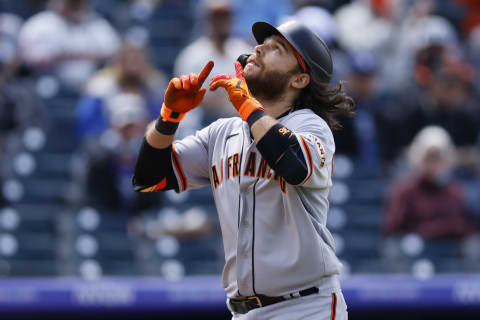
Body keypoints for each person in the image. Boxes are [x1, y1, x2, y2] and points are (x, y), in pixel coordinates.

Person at [133, 20, 353, 319]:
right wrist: (169, 117)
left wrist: (247, 105)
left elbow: (293, 164)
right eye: (262, 44)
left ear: (299, 80)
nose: (259, 48)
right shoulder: (222, 133)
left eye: (277, 49)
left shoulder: (310, 126)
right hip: (243, 311)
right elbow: (149, 178)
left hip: (305, 306)